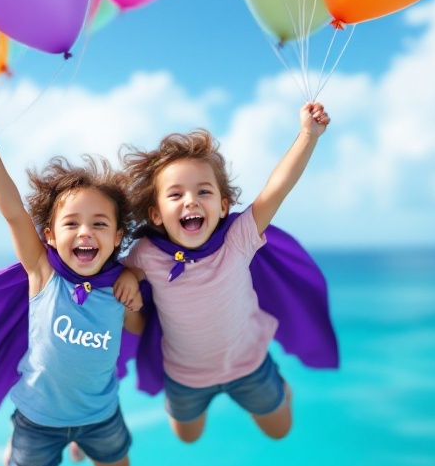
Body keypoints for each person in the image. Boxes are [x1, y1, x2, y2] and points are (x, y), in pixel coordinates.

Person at [0, 116, 144, 466]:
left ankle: (79, 445)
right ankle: (14, 448)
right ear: (49, 235)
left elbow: (137, 331)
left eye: (100, 224)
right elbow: (13, 214)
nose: (86, 232)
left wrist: (135, 295)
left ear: (117, 237)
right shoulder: (42, 274)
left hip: (100, 416)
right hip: (37, 420)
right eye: (72, 223)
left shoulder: (119, 287)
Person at [121, 102, 331, 445]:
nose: (190, 201)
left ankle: (279, 385)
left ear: (222, 206)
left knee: (280, 431)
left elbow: (277, 188)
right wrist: (129, 279)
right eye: (176, 194)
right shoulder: (145, 255)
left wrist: (308, 134)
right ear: (156, 214)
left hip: (249, 366)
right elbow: (125, 283)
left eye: (203, 191)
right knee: (187, 436)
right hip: (185, 377)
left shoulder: (237, 239)